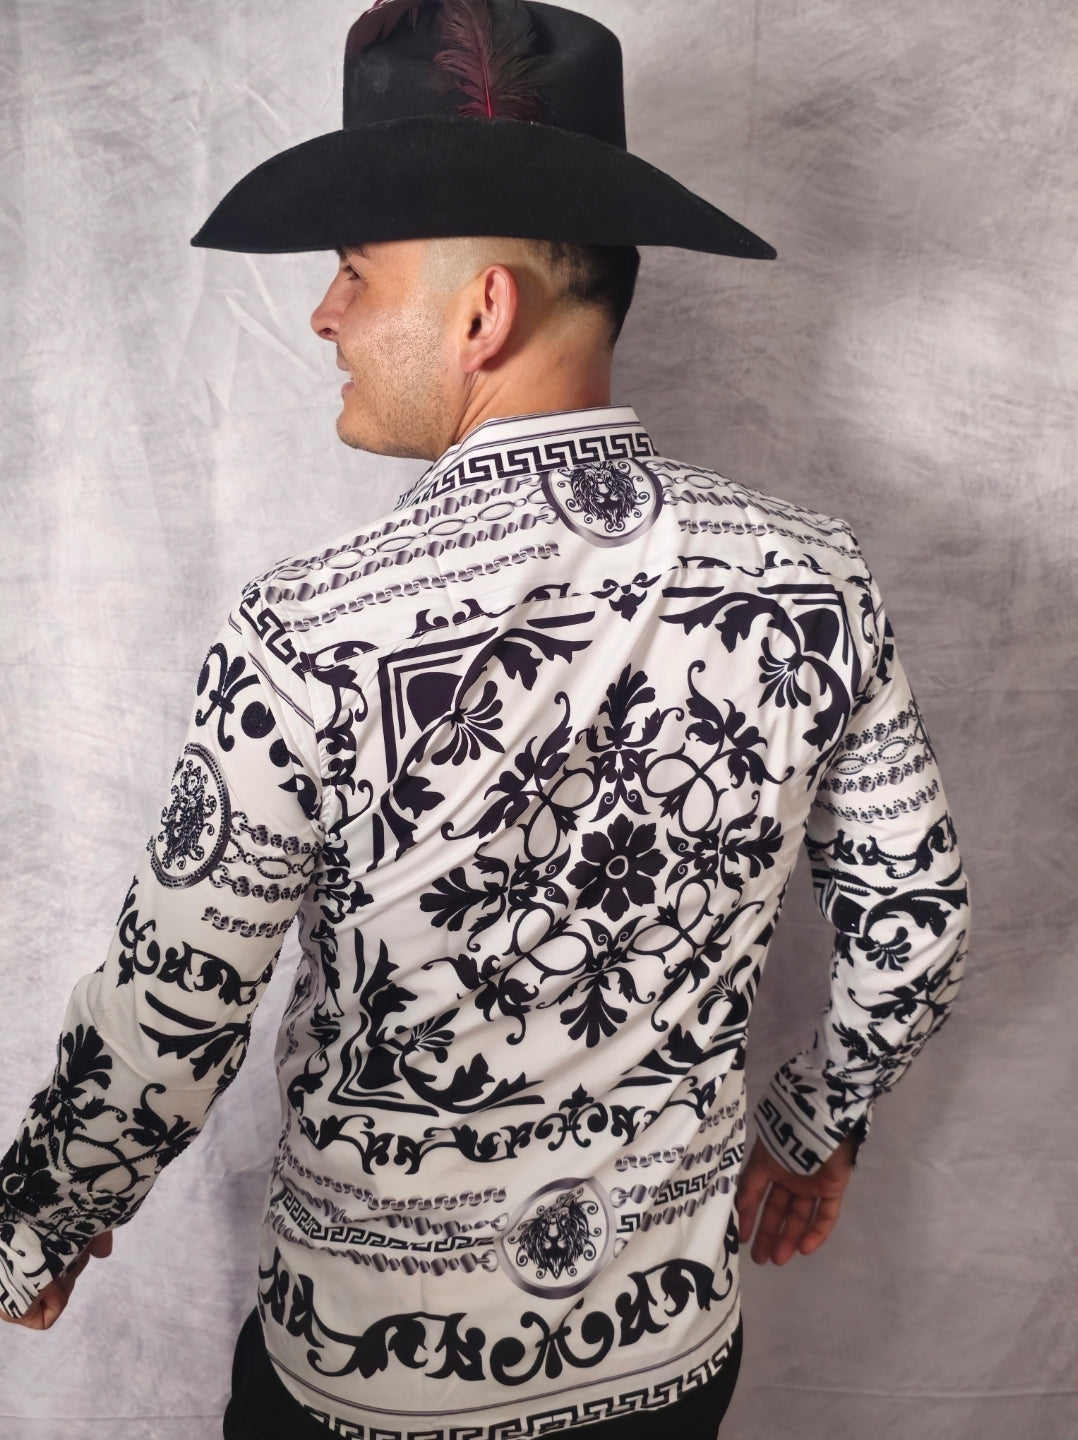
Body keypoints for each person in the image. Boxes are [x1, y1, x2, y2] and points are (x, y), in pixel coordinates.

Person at [0, 3, 970, 1437]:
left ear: (482, 313)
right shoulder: (814, 579)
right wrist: (811, 1126)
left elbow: (179, 1003)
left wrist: (44, 1212)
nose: (325, 315)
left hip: (373, 1380)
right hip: (665, 1358)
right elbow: (916, 931)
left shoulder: (311, 632)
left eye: (353, 272)